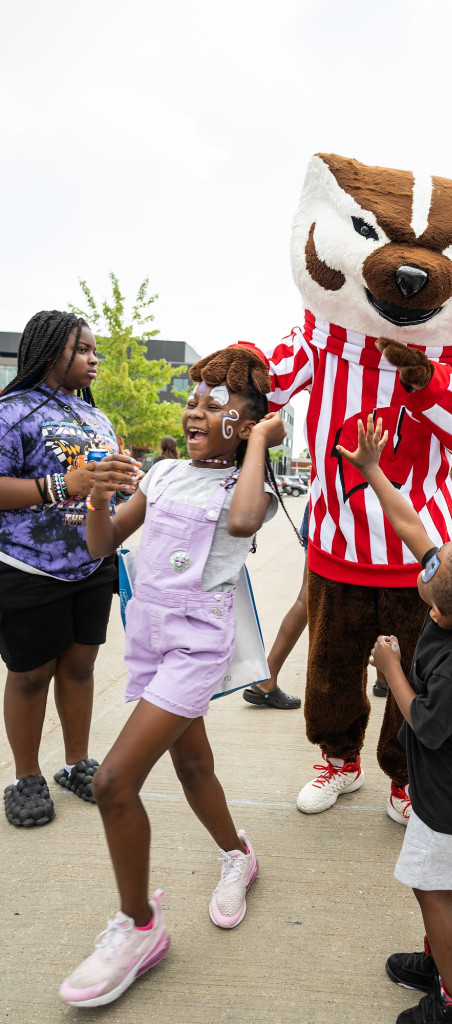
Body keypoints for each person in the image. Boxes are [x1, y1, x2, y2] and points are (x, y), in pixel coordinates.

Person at [59, 351, 285, 1007]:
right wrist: (100, 496)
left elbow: (242, 524)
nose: (196, 411)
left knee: (112, 781)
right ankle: (238, 853)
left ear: (244, 427)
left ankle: (140, 928)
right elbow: (102, 546)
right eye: (195, 403)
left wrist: (262, 441)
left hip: (196, 643)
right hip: (151, 636)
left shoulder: (249, 488)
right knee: (193, 765)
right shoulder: (161, 474)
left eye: (217, 407)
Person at [338, 415, 452, 1024]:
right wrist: (371, 471)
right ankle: (440, 957)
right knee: (440, 880)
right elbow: (413, 524)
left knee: (432, 886)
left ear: (436, 606)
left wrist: (390, 668)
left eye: (431, 569)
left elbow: (428, 725)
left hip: (450, 793)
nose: (426, 560)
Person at [0, 310, 119, 828]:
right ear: (53, 353)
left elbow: (103, 484)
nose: (95, 359)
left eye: (95, 351)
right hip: (29, 567)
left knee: (80, 667)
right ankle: (27, 776)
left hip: (90, 564)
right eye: (85, 350)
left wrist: (120, 481)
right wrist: (60, 486)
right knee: (30, 675)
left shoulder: (96, 416)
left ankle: (74, 763)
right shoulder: (11, 412)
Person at [242, 504, 308, 709]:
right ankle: (266, 679)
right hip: (344, 512)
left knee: (309, 599)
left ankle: (384, 679)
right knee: (310, 598)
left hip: (328, 510)